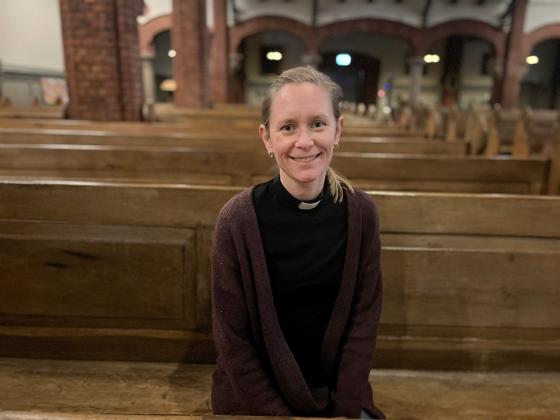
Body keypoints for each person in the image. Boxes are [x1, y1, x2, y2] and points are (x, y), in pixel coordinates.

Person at [211, 66, 384, 419]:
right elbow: (234, 342)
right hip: (256, 400)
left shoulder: (362, 213)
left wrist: (345, 410)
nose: (304, 142)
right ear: (267, 138)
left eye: (318, 124)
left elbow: (363, 322)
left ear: (338, 130)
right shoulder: (237, 220)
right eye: (288, 127)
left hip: (336, 395)